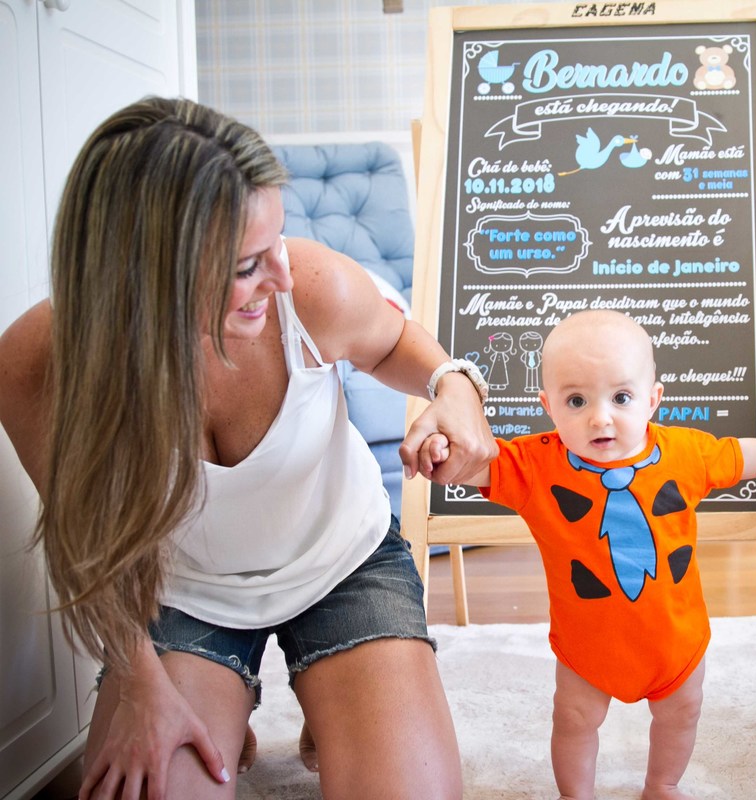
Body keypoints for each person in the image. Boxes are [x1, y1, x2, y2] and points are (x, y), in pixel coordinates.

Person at [0, 96, 497, 800]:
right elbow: (85, 546)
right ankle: (225, 698)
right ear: (139, 273)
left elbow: (397, 346)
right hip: (181, 590)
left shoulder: (313, 285)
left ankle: (333, 697)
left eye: (278, 245)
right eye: (244, 265)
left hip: (340, 563)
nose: (282, 279)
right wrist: (142, 686)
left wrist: (456, 389)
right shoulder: (35, 364)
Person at [417, 310, 756, 800]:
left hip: (675, 640)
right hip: (587, 645)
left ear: (653, 400)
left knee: (682, 711)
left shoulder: (686, 453)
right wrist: (442, 449)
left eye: (622, 398)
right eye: (576, 400)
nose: (600, 417)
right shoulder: (534, 466)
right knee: (573, 719)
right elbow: (473, 464)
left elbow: (747, 455)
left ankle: (662, 784)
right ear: (549, 406)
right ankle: (576, 794)